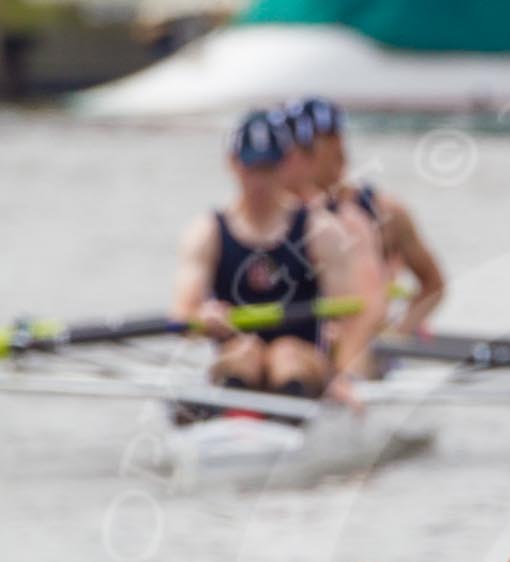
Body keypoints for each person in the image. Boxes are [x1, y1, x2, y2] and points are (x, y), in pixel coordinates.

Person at [166, 107, 390, 403]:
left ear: (284, 164)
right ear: (233, 164)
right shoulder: (207, 232)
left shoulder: (320, 231)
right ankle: (237, 412)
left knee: (285, 355)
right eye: (251, 168)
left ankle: (278, 409)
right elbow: (182, 313)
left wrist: (342, 374)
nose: (259, 182)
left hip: (302, 361)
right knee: (246, 351)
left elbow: (355, 315)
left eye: (268, 169)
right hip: (238, 357)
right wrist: (201, 318)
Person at [285, 96, 448, 337]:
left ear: (336, 145)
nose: (291, 157)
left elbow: (433, 285)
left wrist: (399, 332)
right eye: (287, 147)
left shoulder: (387, 212)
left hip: (364, 343)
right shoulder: (281, 213)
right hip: (297, 345)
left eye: (304, 147)